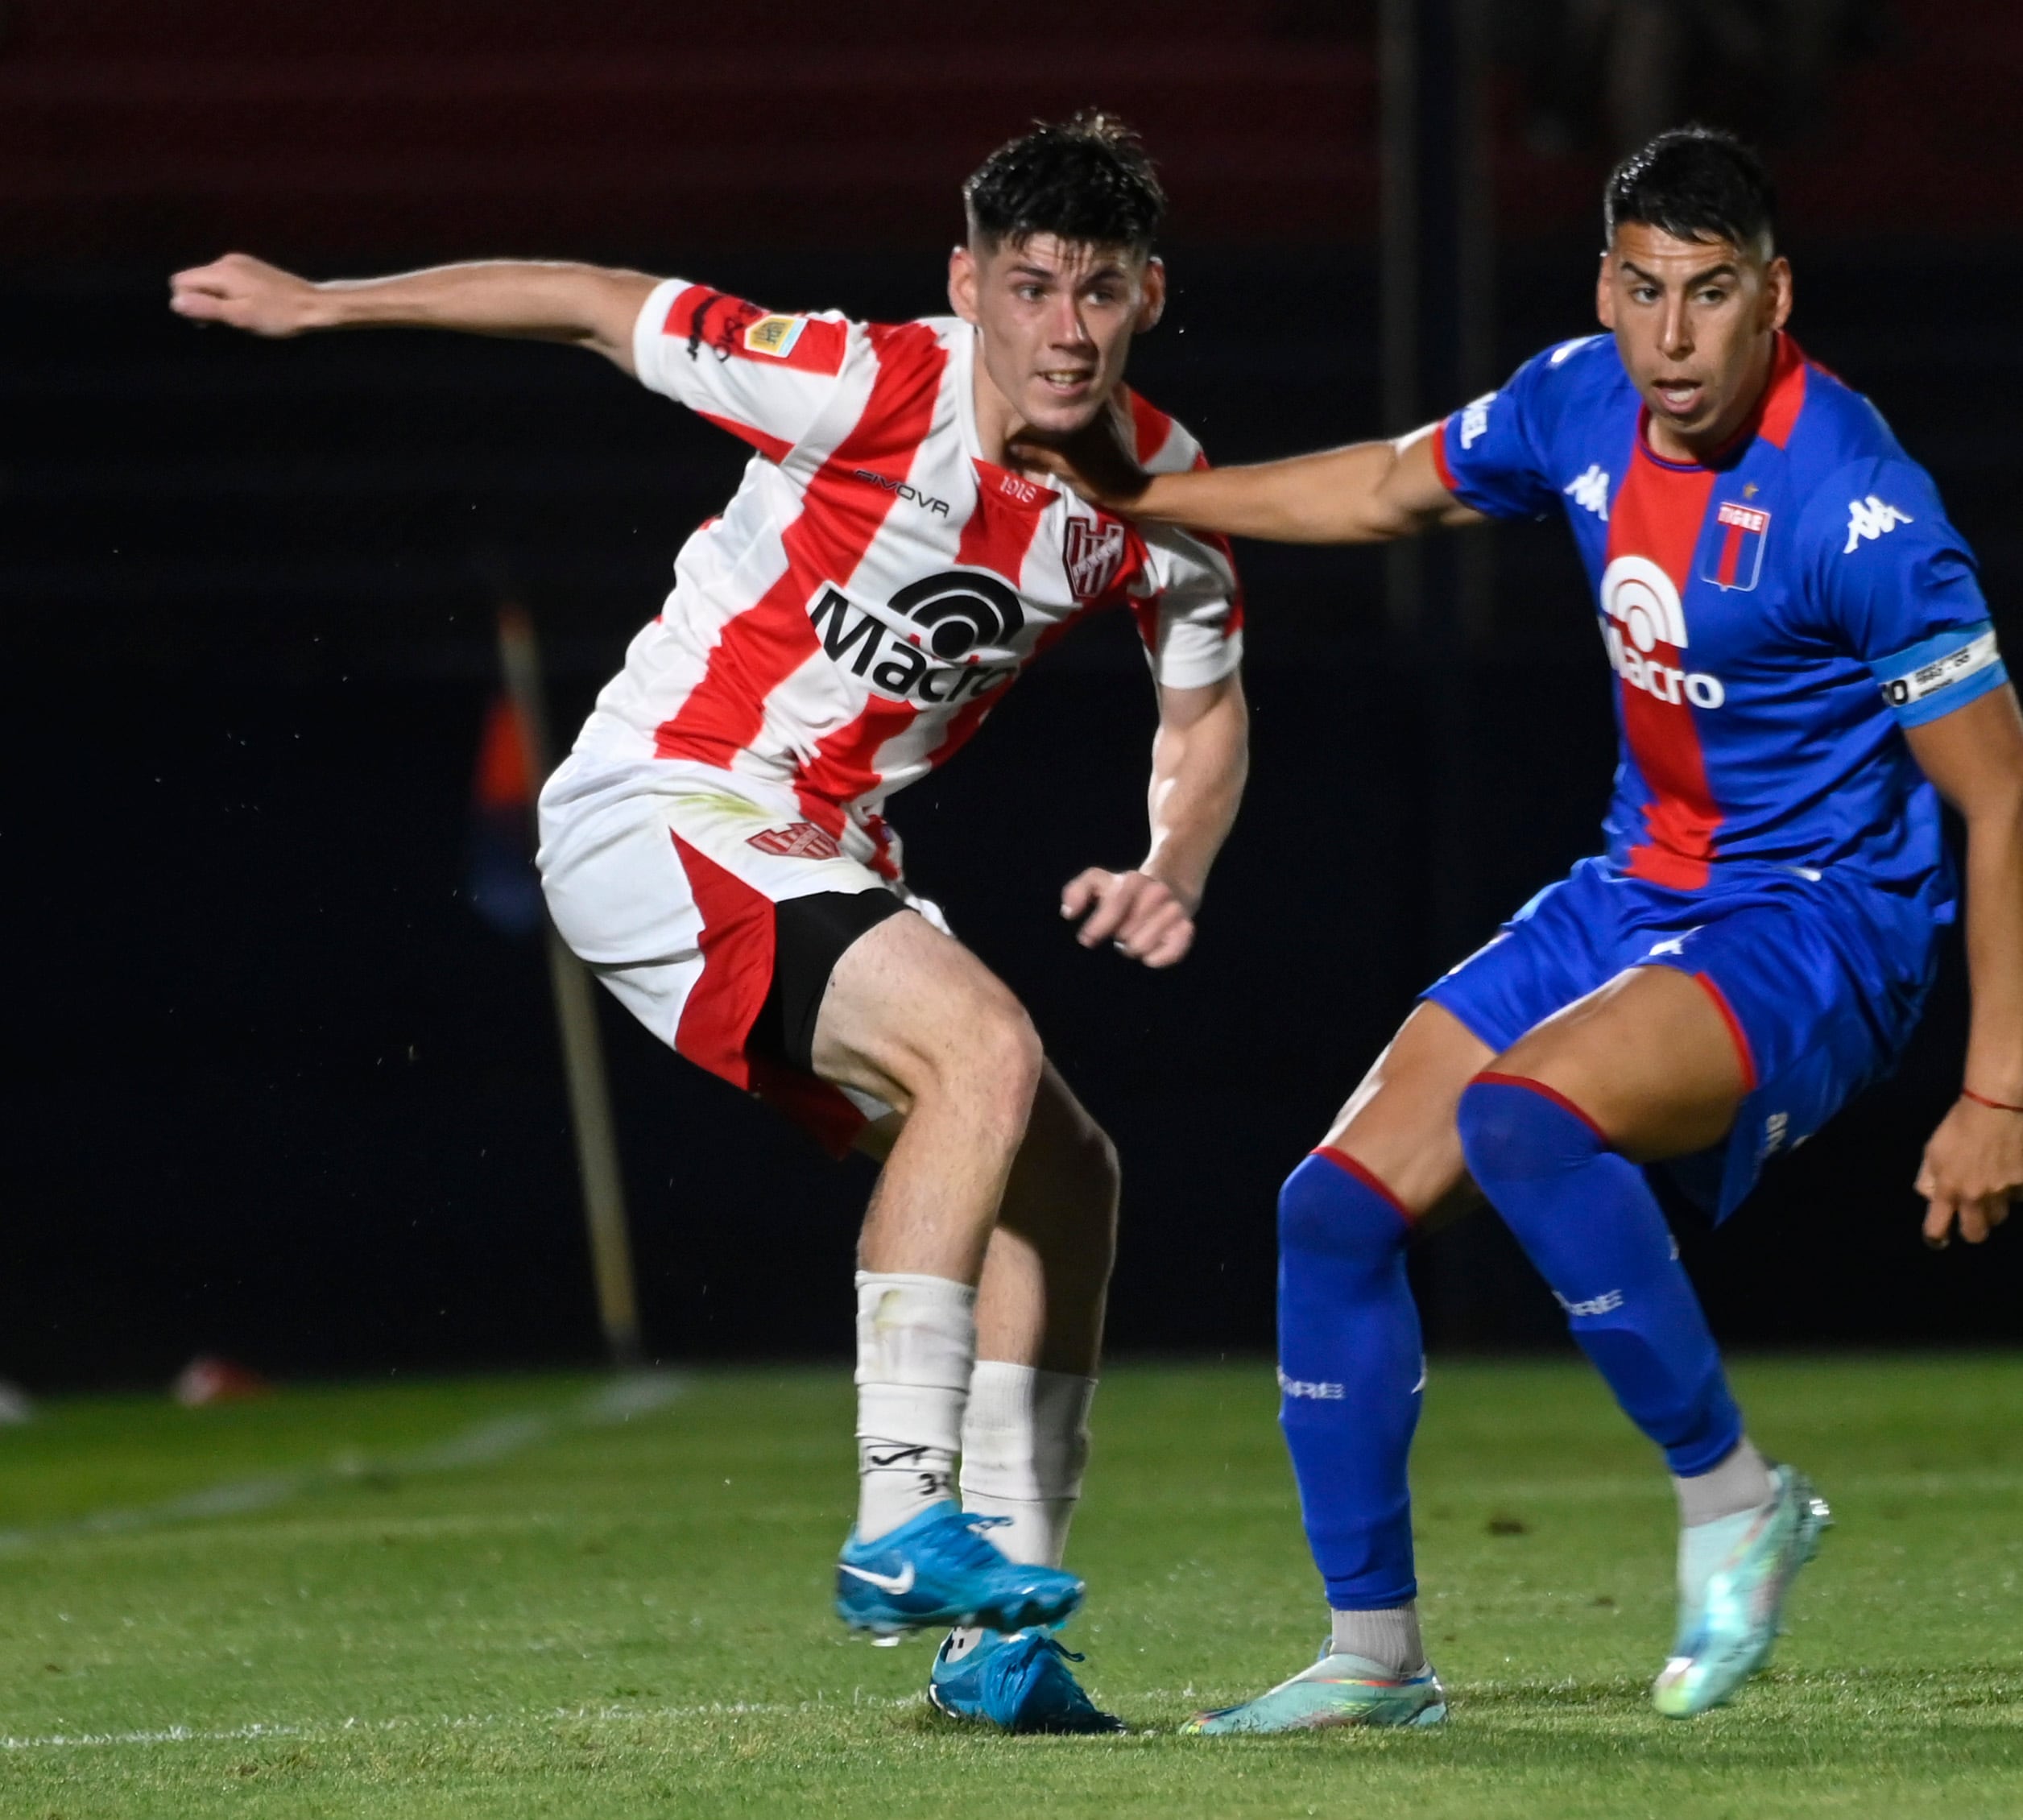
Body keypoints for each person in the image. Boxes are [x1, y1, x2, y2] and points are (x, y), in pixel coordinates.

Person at [169, 114, 1250, 1735]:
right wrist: (331, 302)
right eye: (1030, 287)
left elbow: (1205, 709)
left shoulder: (1161, 491)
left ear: (1148, 294)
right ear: (969, 285)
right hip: (663, 801)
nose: (1066, 328)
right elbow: (598, 301)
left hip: (824, 848)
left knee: (1066, 1177)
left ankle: (1001, 1636)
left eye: (1099, 289)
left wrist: (1174, 856)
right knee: (984, 1046)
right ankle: (899, 1516)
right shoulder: (862, 381)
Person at [1020, 126, 2023, 1730]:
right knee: (1331, 1208)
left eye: (1712, 295)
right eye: (1644, 290)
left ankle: (1734, 1501)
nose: (1674, 335)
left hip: (1822, 921)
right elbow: (1380, 486)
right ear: (1605, 287)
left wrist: (1993, 1090)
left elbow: (2006, 804)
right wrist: (1141, 493)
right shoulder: (1574, 398)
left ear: (1775, 297)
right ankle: (1374, 1655)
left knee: (1522, 1116)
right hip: (1633, 887)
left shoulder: (1861, 504)